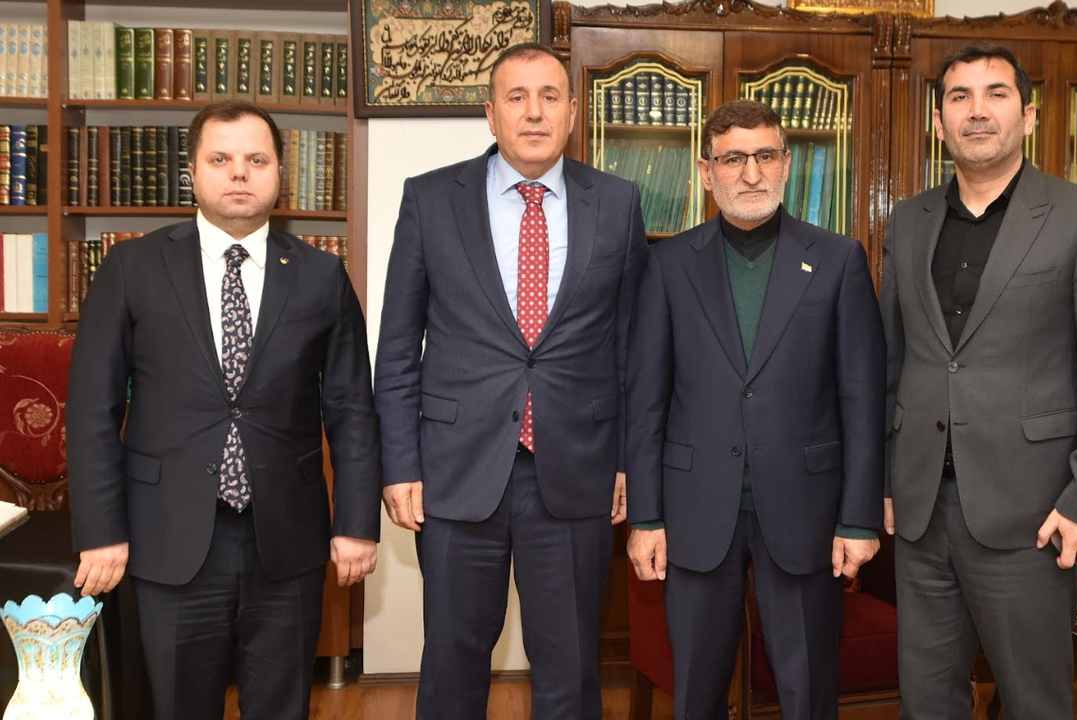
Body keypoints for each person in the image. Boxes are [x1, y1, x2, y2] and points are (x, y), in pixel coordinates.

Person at [67, 100, 381, 720]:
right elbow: (91, 409)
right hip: (167, 538)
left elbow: (352, 410)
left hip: (287, 540)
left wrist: (356, 523)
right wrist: (101, 532)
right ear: (192, 172)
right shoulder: (131, 267)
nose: (240, 172)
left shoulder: (321, 275)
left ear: (280, 173)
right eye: (221, 159)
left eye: (256, 159)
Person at [374, 42, 648, 719]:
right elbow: (399, 348)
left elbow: (632, 349)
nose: (534, 112)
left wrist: (626, 461)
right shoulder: (430, 199)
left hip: (576, 471)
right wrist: (400, 463)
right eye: (517, 97)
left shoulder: (617, 203)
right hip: (455, 472)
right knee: (452, 665)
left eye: (550, 97)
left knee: (570, 669)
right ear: (490, 113)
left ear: (573, 112)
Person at [881, 42, 1077, 719]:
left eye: (996, 94)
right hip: (921, 512)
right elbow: (892, 362)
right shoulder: (908, 221)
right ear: (938, 121)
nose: (977, 111)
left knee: (1035, 704)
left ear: (1029, 115)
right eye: (959, 97)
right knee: (925, 703)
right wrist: (883, 479)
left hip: (1035, 515)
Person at [626, 99, 886, 720]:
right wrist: (646, 515)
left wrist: (858, 520)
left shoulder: (838, 259)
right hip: (694, 513)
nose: (751, 174)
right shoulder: (667, 264)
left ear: (786, 164)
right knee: (695, 693)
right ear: (705, 171)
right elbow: (645, 400)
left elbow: (863, 399)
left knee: (807, 694)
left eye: (765, 156)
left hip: (806, 513)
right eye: (733, 159)